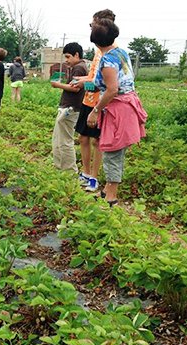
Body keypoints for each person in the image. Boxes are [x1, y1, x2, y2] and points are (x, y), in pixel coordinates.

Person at [87, 19, 147, 207]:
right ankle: (107, 190)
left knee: (112, 151)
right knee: (116, 152)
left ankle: (111, 197)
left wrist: (95, 111)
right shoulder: (120, 52)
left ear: (95, 42)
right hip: (128, 104)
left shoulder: (107, 61)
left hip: (118, 109)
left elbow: (112, 89)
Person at [71, 9, 116, 192]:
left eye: (92, 25)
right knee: (83, 137)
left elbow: (108, 83)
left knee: (97, 141)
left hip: (101, 103)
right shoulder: (98, 51)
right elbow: (93, 76)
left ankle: (94, 178)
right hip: (89, 100)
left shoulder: (110, 53)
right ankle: (86, 173)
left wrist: (85, 82)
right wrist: (81, 81)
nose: (90, 28)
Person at [50, 42, 87, 172]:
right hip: (69, 107)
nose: (66, 60)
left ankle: (69, 171)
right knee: (58, 139)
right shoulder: (79, 67)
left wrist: (57, 85)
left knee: (65, 141)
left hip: (71, 108)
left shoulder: (79, 68)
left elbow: (75, 89)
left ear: (76, 55)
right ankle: (60, 167)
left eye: (68, 57)